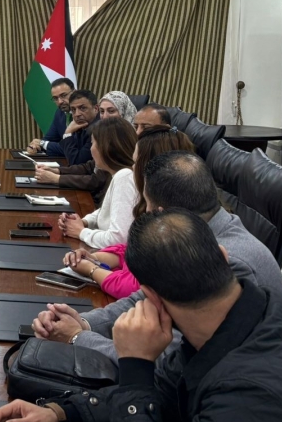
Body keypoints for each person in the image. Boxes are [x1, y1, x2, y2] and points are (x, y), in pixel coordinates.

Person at [0, 208, 282, 422]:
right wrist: (61, 413)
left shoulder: (249, 396)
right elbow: (164, 392)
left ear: (150, 296)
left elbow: (148, 395)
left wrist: (136, 367)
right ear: (223, 257)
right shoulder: (246, 312)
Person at [34, 151, 282, 362]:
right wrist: (83, 323)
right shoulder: (202, 234)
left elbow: (166, 361)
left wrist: (78, 338)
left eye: (145, 204)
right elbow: (147, 298)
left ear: (162, 213)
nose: (144, 212)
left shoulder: (227, 261)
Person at [62, 126, 196, 299]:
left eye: (135, 163)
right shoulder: (166, 212)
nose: (132, 169)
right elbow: (129, 249)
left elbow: (134, 286)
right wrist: (97, 257)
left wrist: (91, 269)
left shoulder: (175, 226)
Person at [34, 90, 137, 203]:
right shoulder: (97, 130)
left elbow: (97, 179)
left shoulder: (124, 140)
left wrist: (56, 178)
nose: (105, 116)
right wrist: (57, 171)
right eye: (102, 111)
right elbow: (89, 166)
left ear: (124, 112)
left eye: (111, 111)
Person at [58, 117, 137, 249]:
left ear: (106, 148)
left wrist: (81, 232)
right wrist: (84, 222)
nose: (91, 149)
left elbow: (119, 239)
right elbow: (107, 210)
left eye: (93, 143)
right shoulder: (120, 174)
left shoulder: (124, 177)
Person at [27, 78, 74, 157]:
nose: (60, 101)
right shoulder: (60, 113)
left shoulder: (84, 115)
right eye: (55, 98)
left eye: (63, 95)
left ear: (74, 92)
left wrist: (43, 143)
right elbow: (49, 139)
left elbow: (73, 148)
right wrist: (36, 145)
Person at [60, 90, 99, 166]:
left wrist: (67, 133)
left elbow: (77, 162)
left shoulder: (98, 129)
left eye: (83, 108)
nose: (77, 114)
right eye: (73, 109)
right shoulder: (80, 126)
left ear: (96, 109)